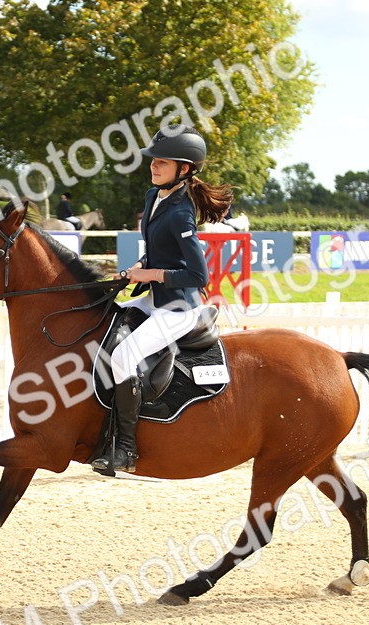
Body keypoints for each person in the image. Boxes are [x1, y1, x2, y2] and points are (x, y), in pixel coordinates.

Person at [90, 126, 233, 475]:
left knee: (124, 356)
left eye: (162, 162)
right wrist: (137, 267)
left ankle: (125, 448)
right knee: (104, 323)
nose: (153, 166)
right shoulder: (153, 197)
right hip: (152, 299)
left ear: (184, 169)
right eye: (153, 160)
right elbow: (156, 253)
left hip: (178, 308)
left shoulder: (182, 213)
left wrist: (150, 275)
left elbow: (199, 276)